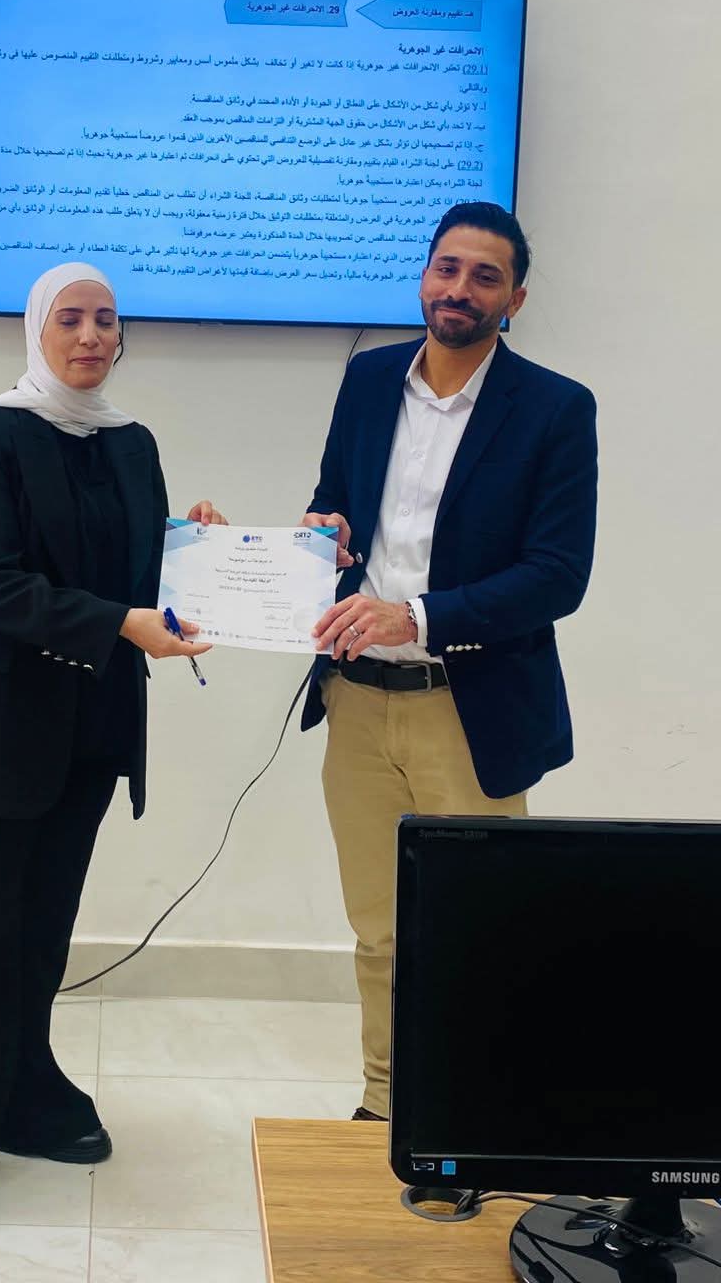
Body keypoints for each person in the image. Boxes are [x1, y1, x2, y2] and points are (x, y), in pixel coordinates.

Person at [0, 262, 214, 1231]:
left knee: (39, 938)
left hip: (91, 728)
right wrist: (122, 620)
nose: (91, 336)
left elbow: (139, 575)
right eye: (70, 318)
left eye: (106, 320)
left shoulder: (130, 441)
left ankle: (21, 1097)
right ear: (37, 329)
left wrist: (203, 552)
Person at [304, 202, 597, 1122]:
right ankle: (385, 1105)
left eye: (483, 276)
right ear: (424, 275)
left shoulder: (554, 408)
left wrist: (417, 616)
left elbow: (557, 576)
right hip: (357, 699)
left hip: (467, 705)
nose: (459, 289)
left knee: (477, 924)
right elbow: (334, 500)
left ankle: (471, 1113)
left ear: (515, 298)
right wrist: (322, 535)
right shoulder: (368, 378)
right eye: (446, 268)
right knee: (379, 928)